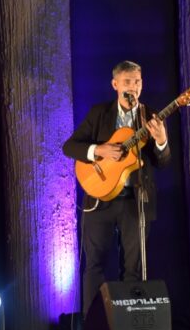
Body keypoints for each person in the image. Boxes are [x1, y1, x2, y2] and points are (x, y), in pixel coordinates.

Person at [63, 60, 170, 317]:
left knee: (133, 268)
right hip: (99, 200)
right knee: (94, 265)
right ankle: (93, 324)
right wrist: (98, 150)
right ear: (115, 85)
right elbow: (70, 147)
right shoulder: (100, 113)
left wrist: (161, 140)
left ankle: (130, 323)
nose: (133, 87)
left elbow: (163, 162)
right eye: (127, 82)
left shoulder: (151, 117)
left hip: (135, 202)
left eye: (137, 82)